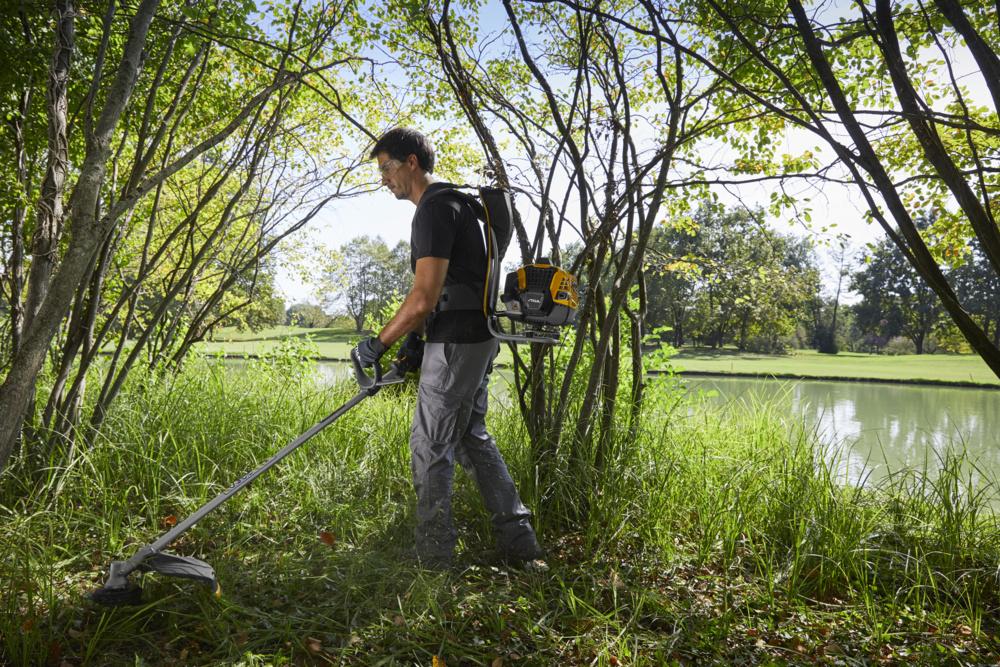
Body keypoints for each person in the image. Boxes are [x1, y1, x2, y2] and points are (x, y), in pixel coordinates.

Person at [355, 127, 546, 571]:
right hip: (476, 341)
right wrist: (414, 346)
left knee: (430, 446)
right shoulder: (464, 205)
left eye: (387, 168)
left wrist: (375, 345)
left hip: (458, 346)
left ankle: (434, 558)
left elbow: (423, 298)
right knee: (470, 439)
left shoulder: (434, 210)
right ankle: (521, 546)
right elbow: (451, 291)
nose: (384, 180)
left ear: (412, 163)